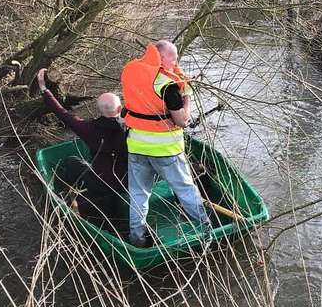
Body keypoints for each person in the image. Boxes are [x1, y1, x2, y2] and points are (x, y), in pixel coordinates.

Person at [120, 40, 210, 247]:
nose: (176, 61)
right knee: (186, 189)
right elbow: (182, 120)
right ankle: (206, 229)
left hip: (137, 146)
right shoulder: (167, 86)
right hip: (166, 151)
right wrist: (186, 96)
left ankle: (137, 238)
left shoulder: (132, 73)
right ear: (161, 58)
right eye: (173, 57)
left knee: (138, 195)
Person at [38, 68, 128, 231]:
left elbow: (63, 113)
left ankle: (72, 197)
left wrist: (44, 89)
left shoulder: (89, 129)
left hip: (103, 184)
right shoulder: (132, 128)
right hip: (130, 183)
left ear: (99, 110)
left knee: (71, 161)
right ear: (120, 108)